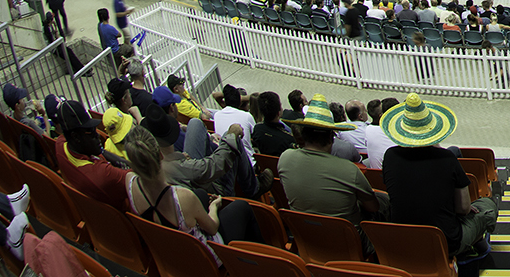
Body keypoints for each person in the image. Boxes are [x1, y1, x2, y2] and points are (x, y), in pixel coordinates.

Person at [382, 94, 499, 256]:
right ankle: (478, 244)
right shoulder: (447, 159)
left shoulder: (390, 155)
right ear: (433, 129)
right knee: (486, 206)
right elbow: (464, 209)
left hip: (405, 239)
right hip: (445, 242)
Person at [125, 125, 255, 258]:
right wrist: (213, 208)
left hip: (171, 256)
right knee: (242, 207)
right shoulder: (183, 197)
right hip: (204, 259)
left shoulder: (129, 183)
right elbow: (212, 228)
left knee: (201, 194)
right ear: (160, 155)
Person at [278, 94, 380, 226]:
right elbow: (373, 207)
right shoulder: (348, 169)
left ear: (303, 135)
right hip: (349, 240)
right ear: (332, 137)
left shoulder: (285, 158)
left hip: (304, 235)